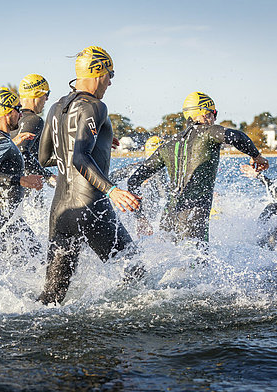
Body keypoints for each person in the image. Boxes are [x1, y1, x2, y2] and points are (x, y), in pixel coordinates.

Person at [37, 46, 141, 305]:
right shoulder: (95, 106)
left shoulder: (56, 108)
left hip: (60, 212)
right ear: (98, 73)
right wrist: (112, 190)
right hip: (90, 206)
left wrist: (101, 142)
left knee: (52, 298)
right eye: (110, 75)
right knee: (137, 274)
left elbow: (44, 158)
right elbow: (80, 157)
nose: (110, 82)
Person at [128, 91, 269, 244]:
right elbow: (236, 136)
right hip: (193, 216)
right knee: (197, 264)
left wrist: (140, 218)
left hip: (168, 217)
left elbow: (133, 180)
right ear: (204, 114)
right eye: (214, 113)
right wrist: (256, 156)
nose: (215, 118)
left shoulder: (167, 145)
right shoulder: (209, 132)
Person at [0, 87, 44, 255]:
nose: (21, 115)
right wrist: (21, 180)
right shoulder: (2, 142)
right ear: (7, 111)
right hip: (4, 224)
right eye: (18, 109)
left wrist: (14, 143)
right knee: (41, 262)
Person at [110, 135, 169, 236]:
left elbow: (111, 178)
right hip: (145, 217)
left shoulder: (135, 167)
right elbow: (164, 196)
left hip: (130, 212)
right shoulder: (159, 171)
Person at [11, 74, 55, 182]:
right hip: (25, 192)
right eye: (46, 94)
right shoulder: (34, 120)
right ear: (36, 94)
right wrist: (48, 176)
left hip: (10, 186)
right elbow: (21, 152)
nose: (47, 98)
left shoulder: (12, 122)